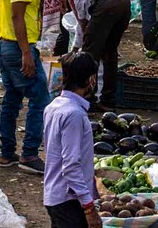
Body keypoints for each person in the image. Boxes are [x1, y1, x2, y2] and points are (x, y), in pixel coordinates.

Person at [0, 0, 53, 173]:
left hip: (4, 44)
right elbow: (17, 17)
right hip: (17, 46)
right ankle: (29, 154)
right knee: (41, 98)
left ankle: (7, 153)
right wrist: (26, 53)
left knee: (12, 99)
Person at [42, 52, 101, 228]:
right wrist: (89, 207)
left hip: (56, 195)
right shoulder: (74, 114)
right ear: (90, 79)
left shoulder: (54, 106)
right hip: (68, 200)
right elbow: (71, 165)